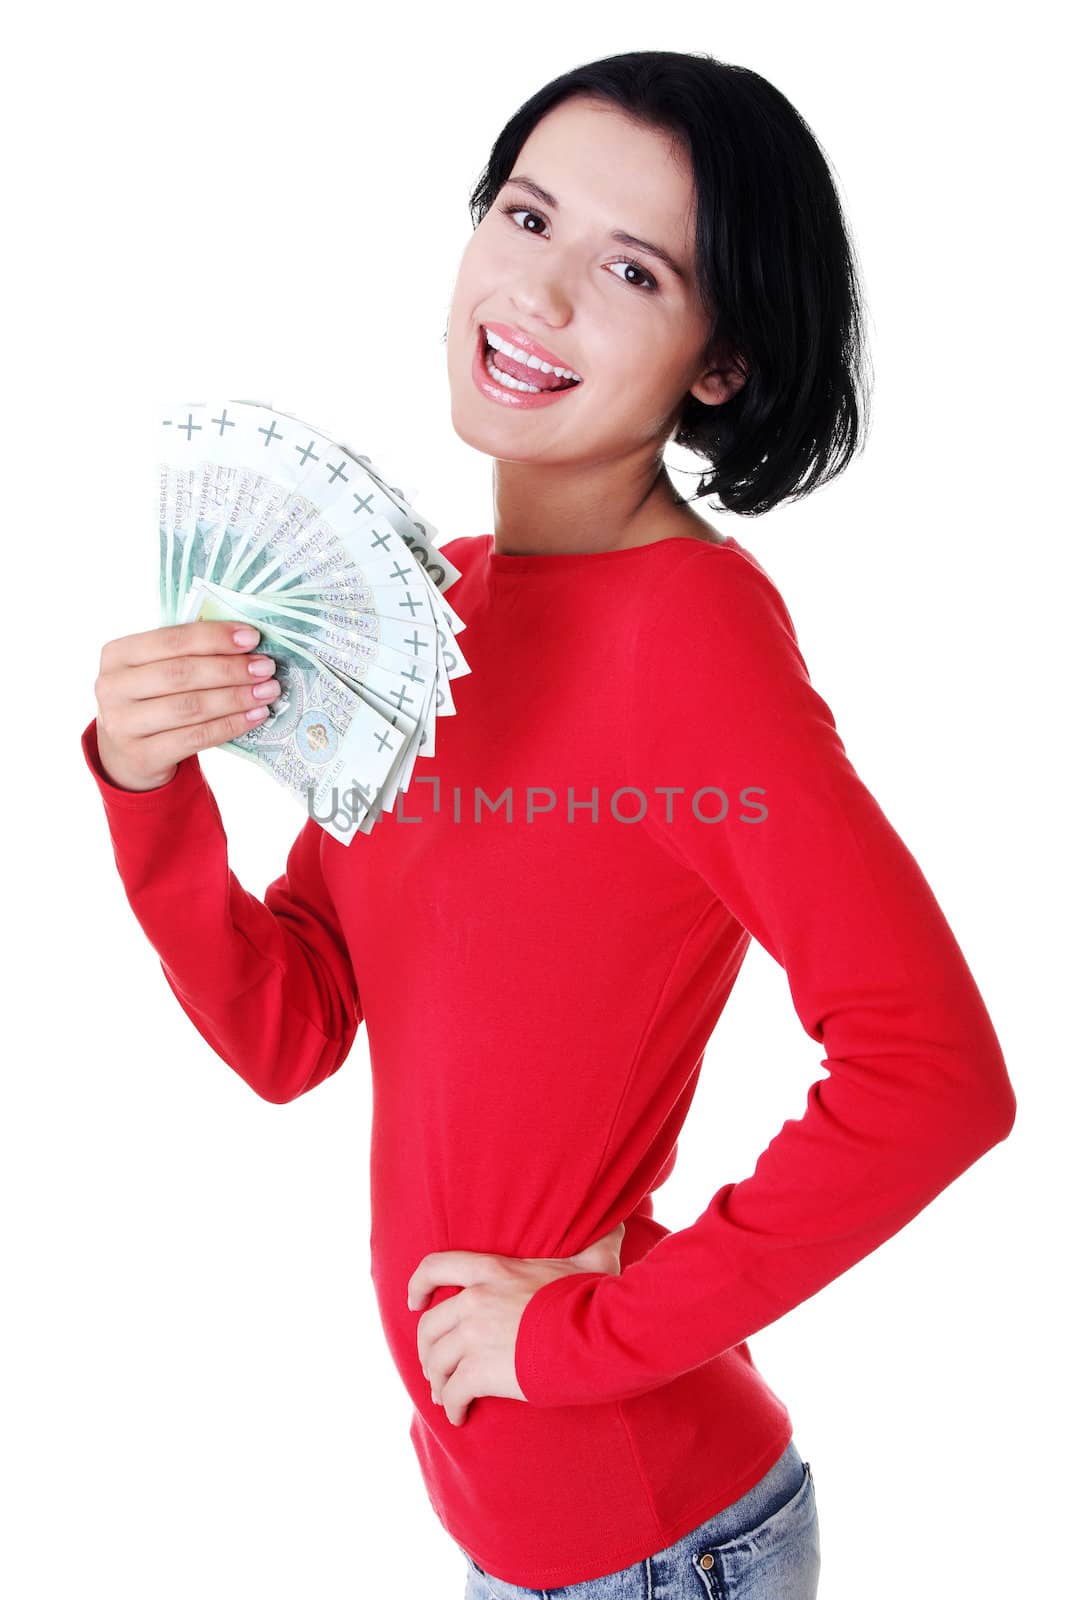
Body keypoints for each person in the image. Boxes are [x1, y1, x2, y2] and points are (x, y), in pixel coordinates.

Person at [82, 50, 1016, 1600]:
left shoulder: (691, 640)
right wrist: (144, 788)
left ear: (718, 364)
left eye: (633, 268)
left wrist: (601, 1327)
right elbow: (292, 1030)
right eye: (526, 216)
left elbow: (935, 1080)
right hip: (518, 1536)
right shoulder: (428, 608)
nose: (544, 292)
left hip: (656, 1548)